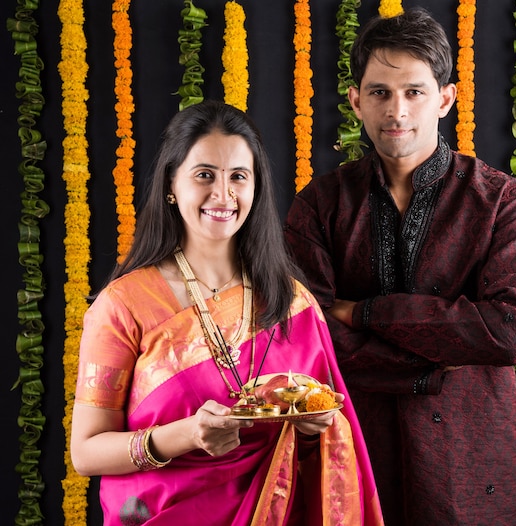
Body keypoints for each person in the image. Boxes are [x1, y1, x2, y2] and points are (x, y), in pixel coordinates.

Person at [284, 7, 516, 526]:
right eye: (380, 92)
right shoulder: (319, 204)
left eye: (414, 92)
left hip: (472, 468)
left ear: (445, 98)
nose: (396, 111)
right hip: (356, 454)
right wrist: (435, 363)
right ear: (356, 100)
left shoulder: (505, 203)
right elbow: (303, 334)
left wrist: (362, 313)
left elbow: (507, 333)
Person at [70, 100, 384, 526]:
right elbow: (86, 452)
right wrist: (187, 435)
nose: (223, 194)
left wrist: (315, 429)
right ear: (171, 184)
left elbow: (325, 434)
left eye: (239, 176)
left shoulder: (292, 303)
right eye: (204, 175)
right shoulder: (125, 305)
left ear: (256, 188)